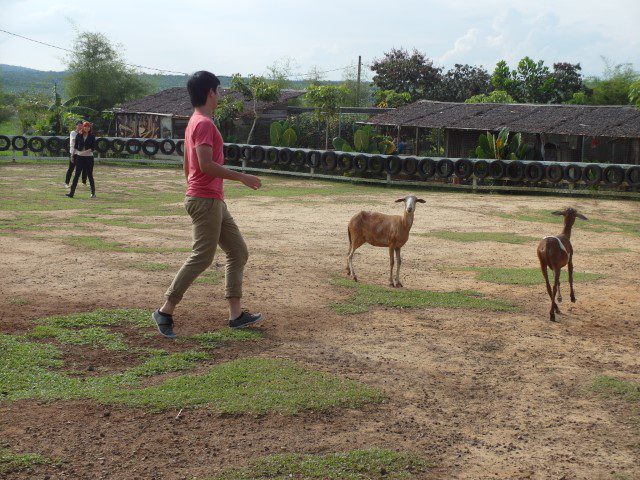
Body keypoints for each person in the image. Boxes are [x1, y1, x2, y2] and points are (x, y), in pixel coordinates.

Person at [152, 70, 263, 339]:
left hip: (211, 199)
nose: (220, 95)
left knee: (238, 251)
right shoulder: (203, 124)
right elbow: (204, 164)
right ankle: (165, 310)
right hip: (205, 199)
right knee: (202, 256)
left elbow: (187, 164)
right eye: (219, 90)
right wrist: (242, 177)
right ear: (211, 92)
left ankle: (236, 315)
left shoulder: (195, 121)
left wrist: (194, 187)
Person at [66, 121, 96, 198]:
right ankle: (71, 193)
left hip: (89, 157)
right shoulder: (78, 135)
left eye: (88, 127)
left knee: (90, 175)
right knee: (76, 175)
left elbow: (93, 148)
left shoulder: (92, 136)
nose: (87, 128)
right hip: (79, 157)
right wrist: (72, 156)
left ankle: (93, 193)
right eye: (85, 126)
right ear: (83, 127)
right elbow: (75, 147)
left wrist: (85, 152)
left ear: (90, 128)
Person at [64, 121, 86, 187]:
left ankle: (84, 182)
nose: (80, 127)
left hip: (81, 153)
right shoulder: (73, 132)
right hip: (73, 153)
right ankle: (66, 183)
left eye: (81, 125)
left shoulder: (83, 133)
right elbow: (74, 141)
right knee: (71, 168)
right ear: (76, 126)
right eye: (79, 125)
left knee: (83, 168)